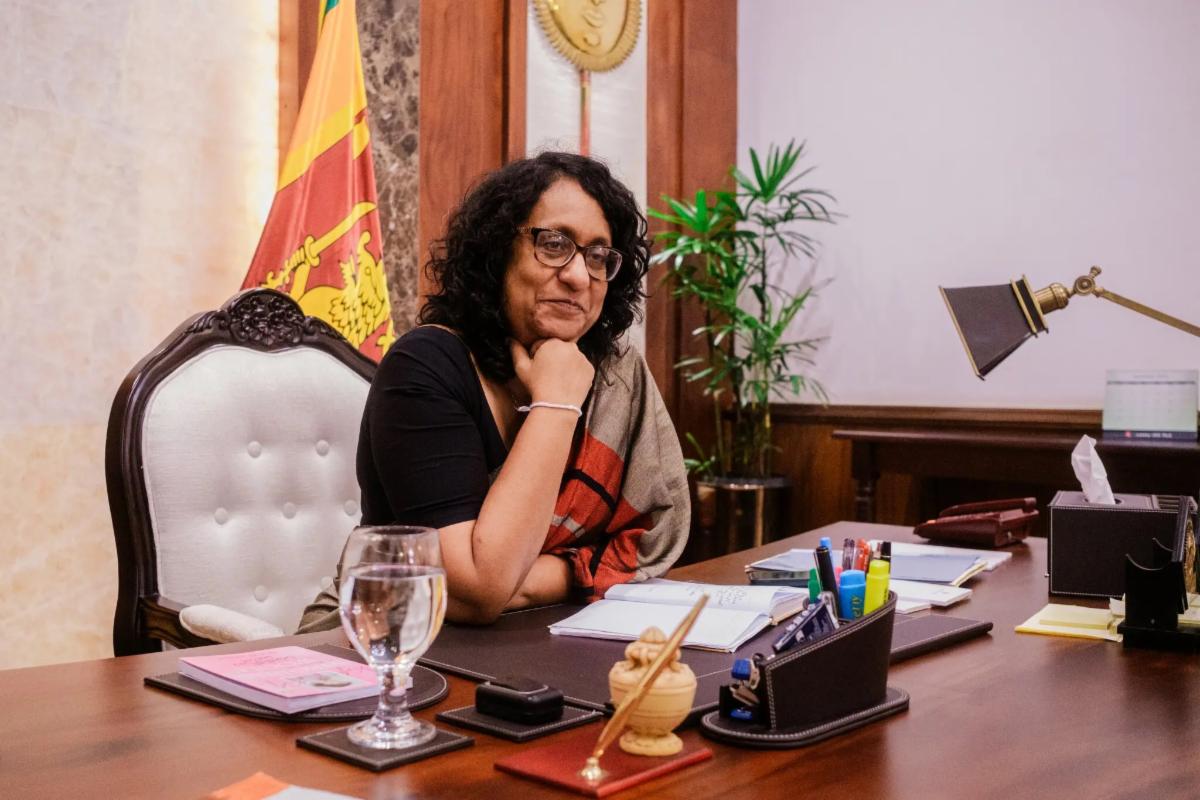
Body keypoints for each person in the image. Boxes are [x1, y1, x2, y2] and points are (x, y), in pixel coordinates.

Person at [298, 152, 689, 630]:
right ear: (497, 251)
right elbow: (481, 589)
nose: (577, 275)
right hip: (383, 645)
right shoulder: (424, 366)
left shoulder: (612, 374)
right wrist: (556, 403)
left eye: (597, 256)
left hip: (554, 632)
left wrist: (542, 578)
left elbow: (653, 538)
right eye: (553, 244)